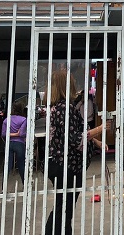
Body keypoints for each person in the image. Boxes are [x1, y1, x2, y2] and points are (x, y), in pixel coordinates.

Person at [44, 70, 93, 235]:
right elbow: (74, 138)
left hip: (58, 163)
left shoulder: (56, 107)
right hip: (66, 164)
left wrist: (95, 141)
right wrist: (99, 130)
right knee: (65, 208)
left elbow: (68, 133)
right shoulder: (65, 108)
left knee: (62, 205)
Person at [1, 101, 27, 183]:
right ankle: (24, 183)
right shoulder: (23, 120)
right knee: (21, 165)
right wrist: (17, 133)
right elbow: (22, 134)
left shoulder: (6, 120)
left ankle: (3, 187)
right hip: (19, 143)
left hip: (9, 143)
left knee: (7, 165)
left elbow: (3, 134)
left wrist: (11, 134)